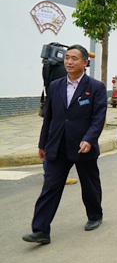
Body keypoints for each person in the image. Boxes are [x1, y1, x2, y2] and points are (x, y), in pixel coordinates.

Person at [23, 45, 107, 245]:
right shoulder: (55, 86)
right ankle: (41, 230)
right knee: (50, 186)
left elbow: (98, 118)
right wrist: (43, 143)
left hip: (82, 145)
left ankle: (95, 215)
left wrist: (89, 139)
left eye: (74, 58)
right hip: (58, 144)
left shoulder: (95, 87)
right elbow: (49, 117)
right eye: (67, 57)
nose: (69, 62)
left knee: (90, 185)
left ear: (85, 63)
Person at [40, 43, 78, 185]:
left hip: (51, 106)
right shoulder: (61, 70)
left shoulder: (47, 66)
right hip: (60, 110)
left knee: (51, 141)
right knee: (56, 144)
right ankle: (54, 174)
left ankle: (49, 174)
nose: (69, 61)